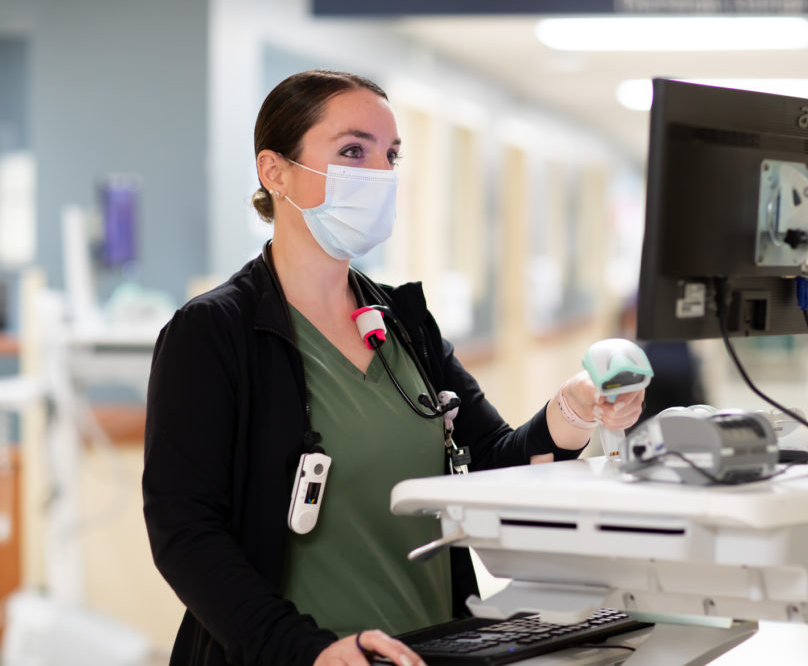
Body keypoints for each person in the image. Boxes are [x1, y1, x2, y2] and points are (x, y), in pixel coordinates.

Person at [142, 69, 645, 666]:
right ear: (274, 171)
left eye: (391, 154)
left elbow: (498, 464)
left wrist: (574, 407)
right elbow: (185, 533)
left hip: (431, 647)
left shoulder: (404, 323)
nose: (380, 173)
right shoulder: (215, 333)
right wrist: (308, 651)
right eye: (353, 150)